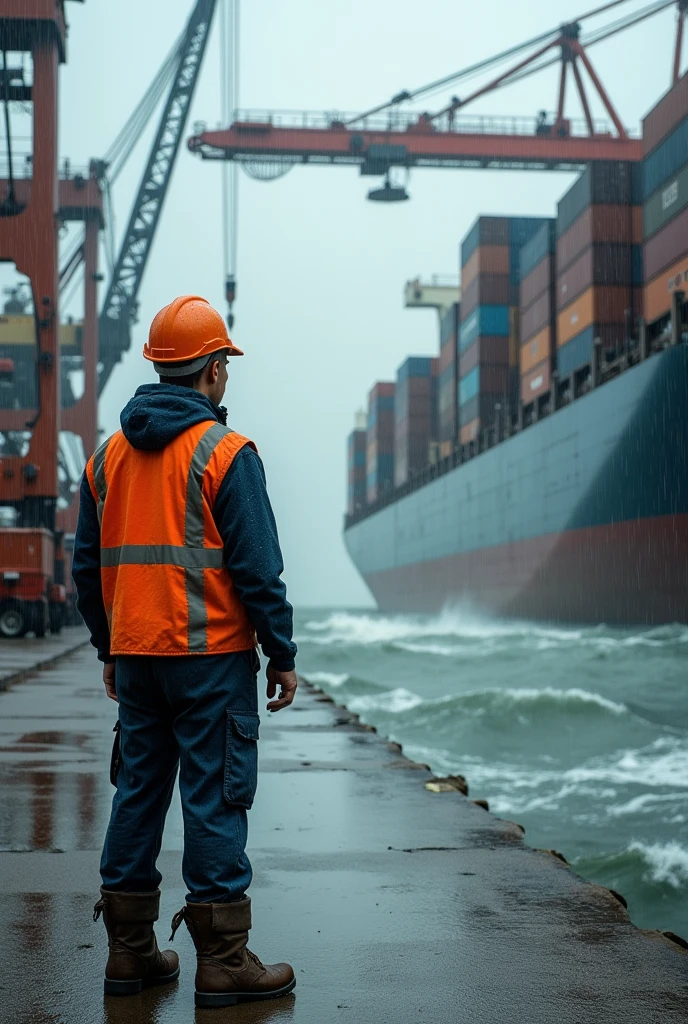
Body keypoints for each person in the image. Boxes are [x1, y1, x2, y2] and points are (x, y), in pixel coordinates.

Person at [72, 295, 298, 1010]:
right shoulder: (226, 453)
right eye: (223, 363)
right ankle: (224, 961)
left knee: (137, 793)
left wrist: (111, 646)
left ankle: (131, 954)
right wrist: (281, 651)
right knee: (215, 799)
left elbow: (86, 569)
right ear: (212, 372)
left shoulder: (106, 458)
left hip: (137, 660)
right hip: (212, 663)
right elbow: (258, 567)